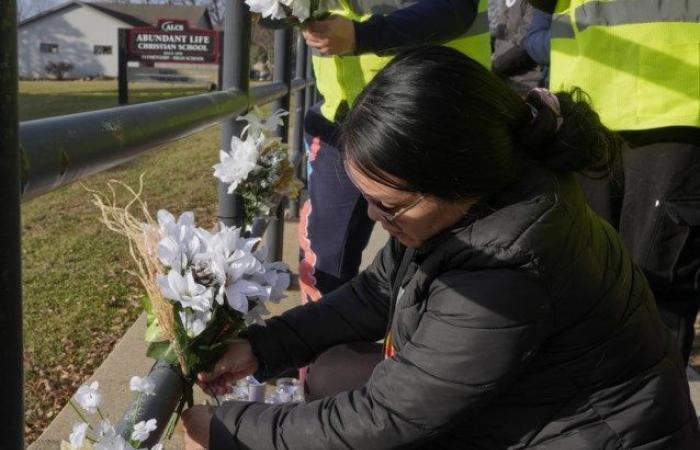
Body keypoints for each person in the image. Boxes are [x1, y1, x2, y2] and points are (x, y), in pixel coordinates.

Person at [182, 47, 699, 449]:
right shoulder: (482, 197)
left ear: (456, 177)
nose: (373, 218)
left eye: (391, 206)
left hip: (587, 436)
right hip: (540, 409)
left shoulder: (508, 264)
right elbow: (376, 292)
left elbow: (389, 419)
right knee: (333, 371)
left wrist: (230, 430)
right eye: (369, 200)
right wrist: (261, 347)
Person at [527, 0, 700, 365]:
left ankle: (649, 413)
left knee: (653, 287)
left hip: (677, 107)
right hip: (589, 109)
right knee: (581, 277)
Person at [297, 0, 491, 304]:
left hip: (432, 119)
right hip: (338, 119)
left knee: (438, 261)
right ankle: (318, 348)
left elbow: (456, 8)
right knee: (325, 261)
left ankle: (421, 342)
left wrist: (363, 36)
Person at [490, 0, 545, 94]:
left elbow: (524, 46)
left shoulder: (534, 4)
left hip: (524, 85)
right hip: (502, 80)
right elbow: (500, 37)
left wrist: (492, 67)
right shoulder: (507, 2)